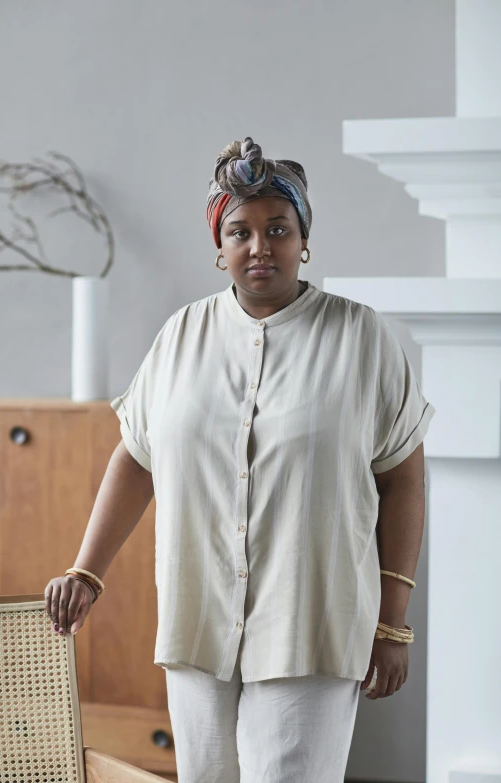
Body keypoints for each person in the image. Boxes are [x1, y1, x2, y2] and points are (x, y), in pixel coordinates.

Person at [45, 136, 436, 782]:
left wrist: (392, 624)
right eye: (241, 231)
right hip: (198, 627)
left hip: (309, 626)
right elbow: (135, 457)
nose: (260, 246)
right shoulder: (178, 338)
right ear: (219, 246)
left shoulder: (361, 338)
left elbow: (404, 477)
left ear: (303, 238)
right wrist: (87, 570)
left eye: (277, 229)